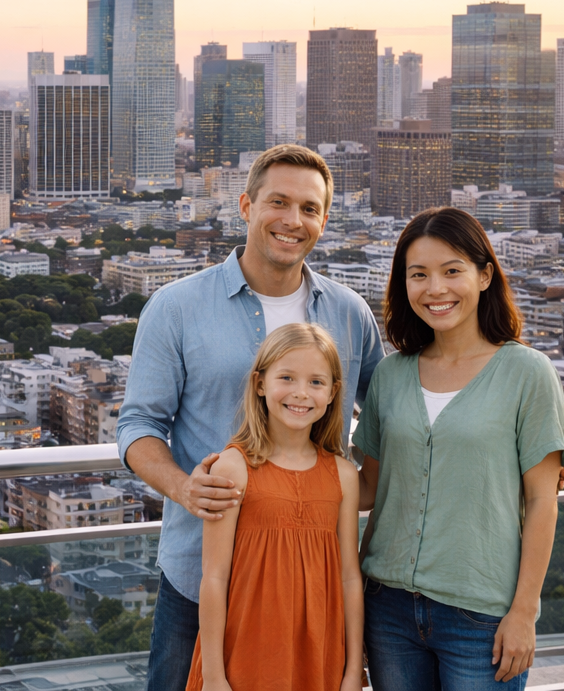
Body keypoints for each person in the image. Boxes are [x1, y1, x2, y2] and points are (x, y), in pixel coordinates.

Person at [117, 144, 387, 691]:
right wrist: (185, 488)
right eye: (278, 203)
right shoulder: (176, 307)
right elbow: (138, 426)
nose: (293, 221)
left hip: (308, 588)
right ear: (245, 205)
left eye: (309, 209)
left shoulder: (349, 313)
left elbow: (395, 410)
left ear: (325, 219)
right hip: (200, 572)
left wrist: (522, 428)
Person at [355, 207, 564, 690]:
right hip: (387, 606)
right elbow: (369, 486)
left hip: (481, 615)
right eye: (419, 275)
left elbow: (542, 501)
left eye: (452, 271)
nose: (435, 289)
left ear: (485, 274)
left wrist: (524, 613)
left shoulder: (527, 373)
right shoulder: (390, 375)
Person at [188, 322, 364, 691]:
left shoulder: (343, 476)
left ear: (333, 393)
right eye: (287, 377)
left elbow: (349, 577)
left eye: (316, 382)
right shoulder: (233, 468)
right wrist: (215, 677)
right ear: (260, 383)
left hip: (319, 655)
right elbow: (214, 578)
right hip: (246, 655)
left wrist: (351, 672)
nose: (301, 393)